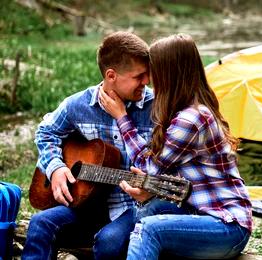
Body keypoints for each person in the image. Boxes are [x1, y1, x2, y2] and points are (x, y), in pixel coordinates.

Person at [99, 33, 253, 260]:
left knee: (149, 230)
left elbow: (149, 166)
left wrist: (122, 118)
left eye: (154, 71)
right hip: (198, 215)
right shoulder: (187, 110)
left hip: (226, 226)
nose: (149, 80)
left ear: (169, 73)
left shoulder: (192, 119)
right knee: (146, 212)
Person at [22, 31, 153, 260]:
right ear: (111, 75)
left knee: (108, 242)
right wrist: (56, 167)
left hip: (132, 207)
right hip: (86, 202)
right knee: (40, 223)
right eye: (139, 76)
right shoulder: (78, 105)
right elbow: (45, 132)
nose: (146, 81)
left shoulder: (156, 108)